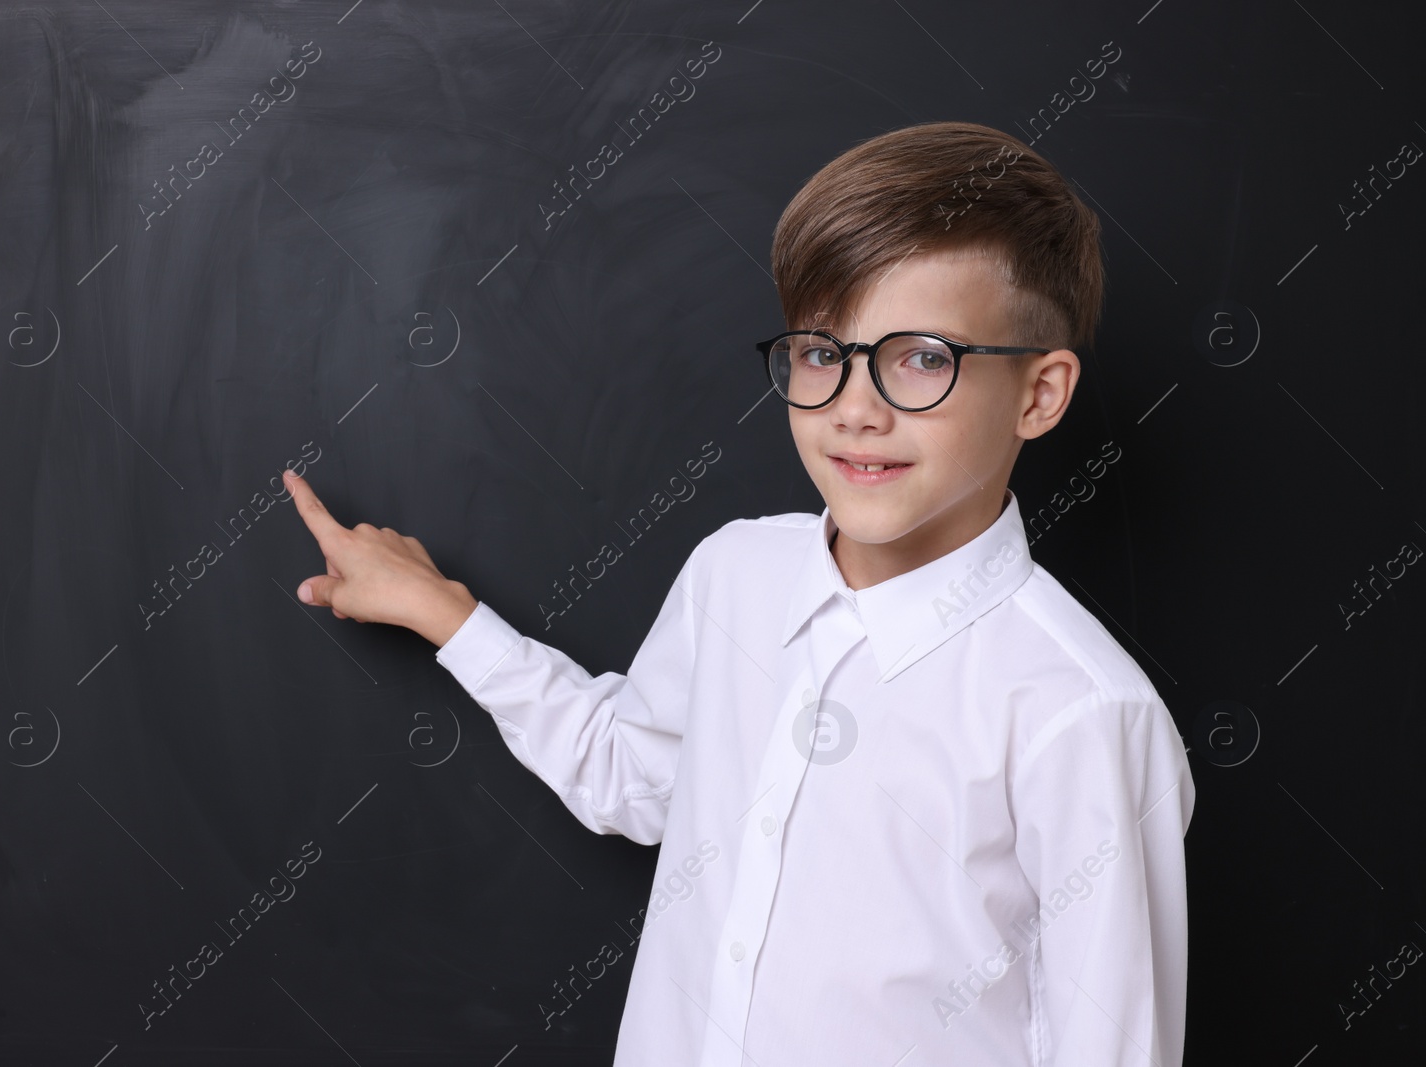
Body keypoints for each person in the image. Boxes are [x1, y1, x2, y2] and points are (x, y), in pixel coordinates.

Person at [283, 120, 1194, 1067]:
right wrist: (444, 612)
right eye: (821, 351)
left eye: (923, 357)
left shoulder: (1083, 713)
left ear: (1039, 395)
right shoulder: (738, 573)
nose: (854, 406)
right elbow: (636, 777)